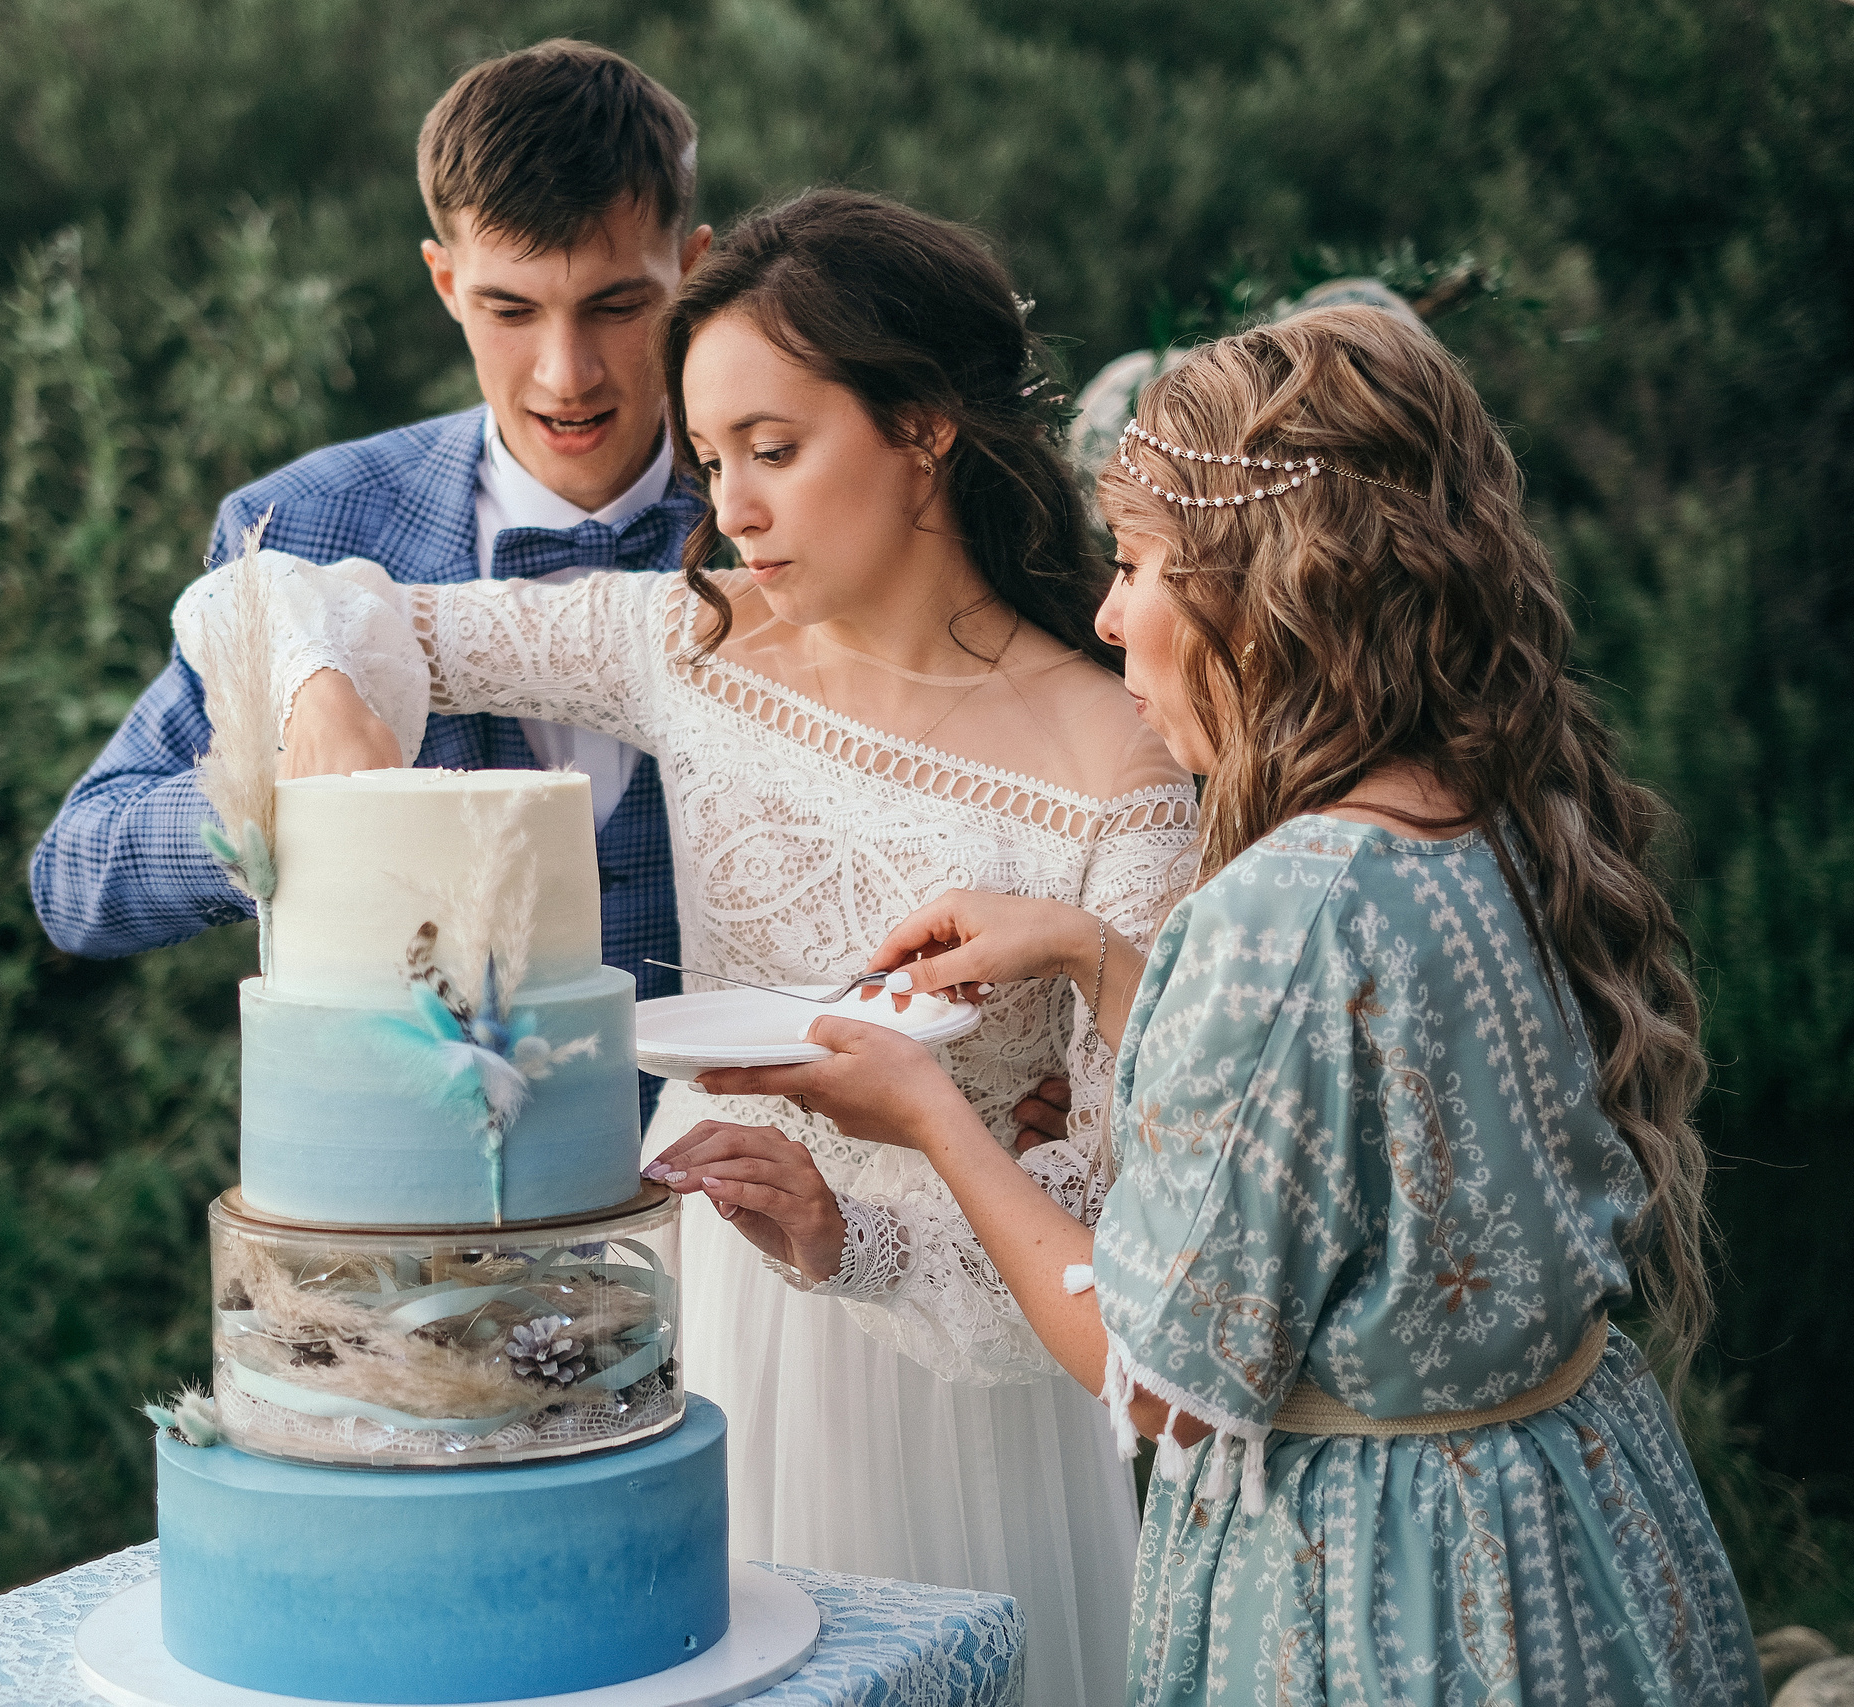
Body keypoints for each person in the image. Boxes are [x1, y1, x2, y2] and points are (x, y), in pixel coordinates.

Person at [659, 304, 1762, 1703]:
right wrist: (1099, 957)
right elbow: (1355, 1096)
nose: (1109, 612)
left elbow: (1159, 1378)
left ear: (1268, 591)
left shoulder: (1273, 912)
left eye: (1135, 567)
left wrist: (936, 1113)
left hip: (1376, 1589)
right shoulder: (1506, 811)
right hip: (1578, 1521)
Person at [197, 189, 1204, 1707]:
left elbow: (1144, 1209)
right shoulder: (686, 641)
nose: (728, 507)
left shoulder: (1122, 761)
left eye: (776, 451)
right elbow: (263, 588)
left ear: (924, 426)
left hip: (969, 1381)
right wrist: (325, 693)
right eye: (715, 456)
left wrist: (855, 1231)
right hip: (691, 1300)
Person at [28, 41, 712, 1119]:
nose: (565, 373)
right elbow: (76, 880)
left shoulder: (787, 518)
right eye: (512, 309)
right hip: (417, 1227)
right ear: (444, 281)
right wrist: (280, 805)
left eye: (618, 307)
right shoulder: (300, 523)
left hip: (750, 1228)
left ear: (696, 275)